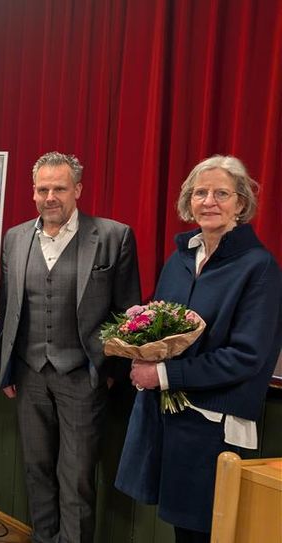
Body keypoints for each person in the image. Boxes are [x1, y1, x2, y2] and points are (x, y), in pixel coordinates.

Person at [115, 156, 282, 543]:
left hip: (214, 428)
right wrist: (139, 341)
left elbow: (247, 357)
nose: (209, 201)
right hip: (170, 421)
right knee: (182, 531)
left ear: (240, 204)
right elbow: (161, 325)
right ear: (189, 201)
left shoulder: (260, 267)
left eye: (221, 193)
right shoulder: (180, 259)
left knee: (207, 533)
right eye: (200, 192)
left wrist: (162, 374)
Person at [0, 151, 140, 543]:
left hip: (83, 376)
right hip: (29, 375)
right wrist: (7, 368)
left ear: (77, 189)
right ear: (33, 193)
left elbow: (127, 313)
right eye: (42, 189)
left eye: (59, 188)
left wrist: (108, 373)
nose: (50, 196)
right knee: (36, 468)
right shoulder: (15, 238)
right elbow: (9, 309)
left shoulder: (113, 236)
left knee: (76, 477)